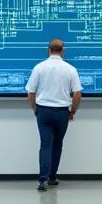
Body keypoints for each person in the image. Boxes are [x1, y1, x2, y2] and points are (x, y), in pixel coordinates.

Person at [26, 38, 82, 192]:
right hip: (62, 112)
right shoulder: (71, 69)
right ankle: (52, 178)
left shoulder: (39, 68)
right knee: (57, 145)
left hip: (43, 111)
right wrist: (73, 111)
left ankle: (42, 180)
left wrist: (35, 110)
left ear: (48, 50)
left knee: (45, 145)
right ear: (63, 51)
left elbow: (31, 93)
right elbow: (77, 94)